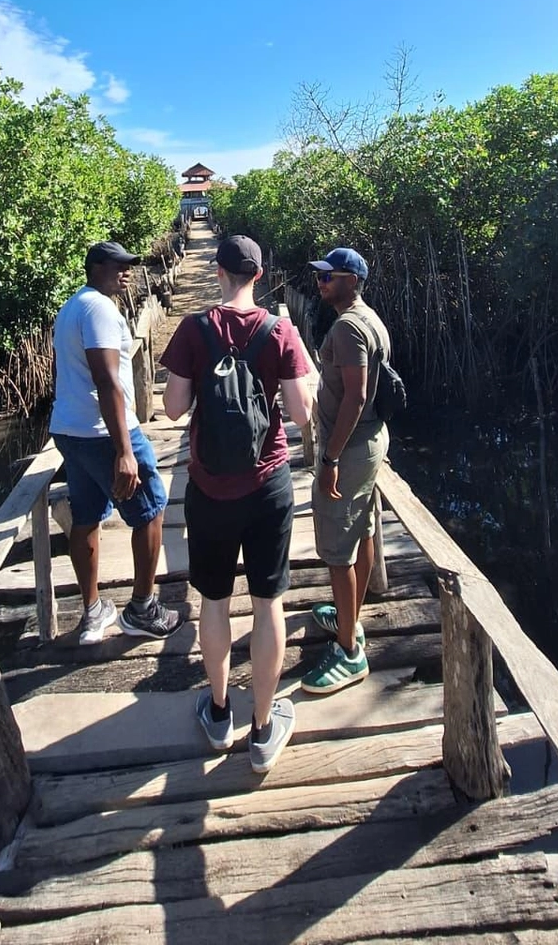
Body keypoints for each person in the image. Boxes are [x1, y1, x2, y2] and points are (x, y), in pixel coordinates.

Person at [161, 235, 316, 773]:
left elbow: (175, 409)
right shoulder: (281, 330)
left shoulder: (193, 328)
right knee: (268, 602)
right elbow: (299, 416)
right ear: (258, 273)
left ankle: (221, 711)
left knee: (215, 601)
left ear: (220, 272)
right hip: (268, 484)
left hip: (208, 487)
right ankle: (263, 728)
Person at [50, 240, 184, 645]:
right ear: (94, 267)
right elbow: (106, 380)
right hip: (104, 433)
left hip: (70, 431)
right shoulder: (100, 310)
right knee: (151, 512)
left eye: (129, 265)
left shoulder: (72, 306)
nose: (126, 272)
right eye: (117, 266)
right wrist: (125, 451)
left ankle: (93, 612)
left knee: (86, 515)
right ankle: (142, 609)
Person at [301, 246, 390, 695]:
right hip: (370, 440)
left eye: (329, 277)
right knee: (365, 532)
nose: (321, 284)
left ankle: (349, 652)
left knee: (338, 548)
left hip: (350, 447)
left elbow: (355, 398)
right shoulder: (370, 318)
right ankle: (349, 612)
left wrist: (330, 459)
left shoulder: (348, 328)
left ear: (352, 280)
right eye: (319, 277)